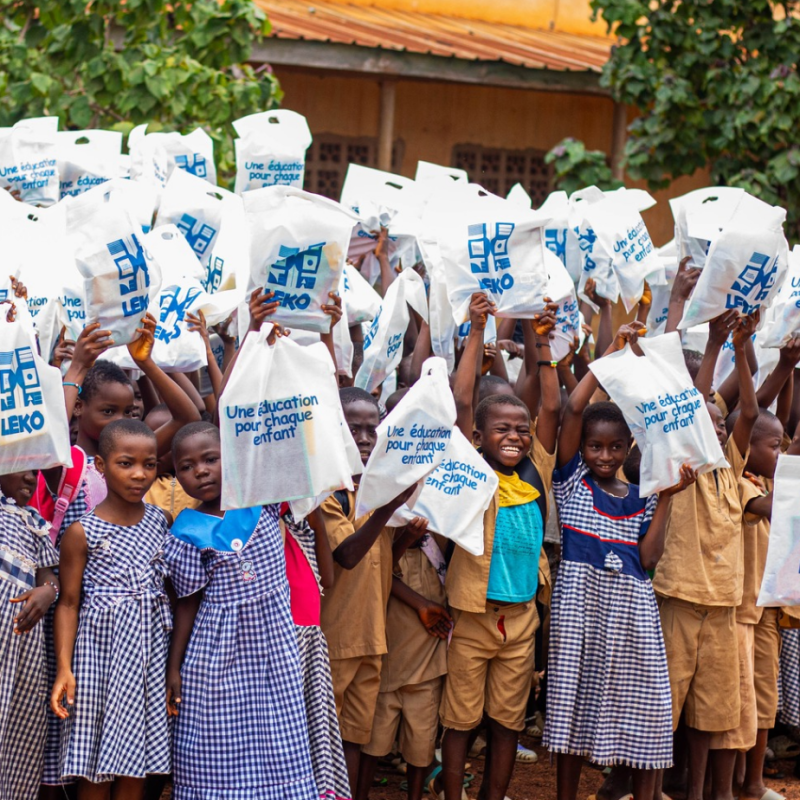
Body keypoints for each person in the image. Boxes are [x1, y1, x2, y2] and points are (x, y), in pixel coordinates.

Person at [543, 321, 697, 800]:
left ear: (630, 445)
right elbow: (571, 407)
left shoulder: (644, 497)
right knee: (570, 704)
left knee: (646, 705)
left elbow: (648, 559)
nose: (604, 455)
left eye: (614, 446)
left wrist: (668, 497)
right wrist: (609, 352)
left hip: (631, 610)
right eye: (595, 446)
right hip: (579, 609)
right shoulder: (571, 483)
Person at [439, 292, 560, 800]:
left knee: (508, 721)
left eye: (521, 430)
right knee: (461, 721)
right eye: (501, 430)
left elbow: (552, 404)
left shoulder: (538, 472)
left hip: (522, 617)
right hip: (472, 617)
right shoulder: (471, 470)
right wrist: (476, 329)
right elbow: (462, 401)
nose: (513, 436)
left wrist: (543, 341)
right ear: (476, 437)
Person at [164, 422, 318, 800]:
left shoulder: (262, 498)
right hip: (215, 655)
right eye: (186, 466)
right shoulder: (185, 531)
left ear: (230, 457)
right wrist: (175, 666)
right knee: (214, 739)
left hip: (272, 652)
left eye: (210, 459)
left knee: (276, 737)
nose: (199, 471)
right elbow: (187, 603)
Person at [652, 311, 761, 800]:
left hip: (723, 605)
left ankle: (695, 793)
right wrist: (717, 343)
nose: (717, 431)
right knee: (665, 708)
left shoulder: (731, 471)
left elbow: (751, 416)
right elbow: (695, 406)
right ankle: (649, 790)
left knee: (709, 713)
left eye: (722, 425)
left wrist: (743, 347)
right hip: (679, 597)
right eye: (710, 424)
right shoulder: (684, 465)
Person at [50, 419, 171, 796]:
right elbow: (69, 603)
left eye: (149, 465)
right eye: (126, 463)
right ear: (101, 466)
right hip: (99, 659)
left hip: (148, 659)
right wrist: (65, 669)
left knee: (135, 765)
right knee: (95, 765)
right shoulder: (82, 531)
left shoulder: (161, 521)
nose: (139, 474)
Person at [318, 387, 422, 796]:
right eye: (352, 427)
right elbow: (346, 555)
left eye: (370, 429)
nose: (363, 438)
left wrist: (406, 539)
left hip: (372, 638)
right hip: (334, 637)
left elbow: (381, 565)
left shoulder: (375, 489)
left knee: (355, 736)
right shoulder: (329, 491)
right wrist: (385, 509)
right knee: (325, 736)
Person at [358, 531, 452, 800]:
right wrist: (406, 536)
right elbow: (380, 572)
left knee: (420, 750)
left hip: (427, 669)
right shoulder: (385, 541)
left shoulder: (440, 544)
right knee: (372, 746)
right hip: (388, 667)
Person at [281, 503, 353, 800]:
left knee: (309, 727)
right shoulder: (259, 521)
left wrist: (316, 516)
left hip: (308, 638)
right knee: (284, 732)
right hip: (279, 639)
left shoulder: (302, 523)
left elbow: (328, 577)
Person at [0, 470, 59, 800]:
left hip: (23, 649)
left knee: (17, 735)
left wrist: (48, 591)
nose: (31, 478)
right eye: (21, 468)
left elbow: (49, 577)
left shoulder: (33, 521)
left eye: (36, 472)